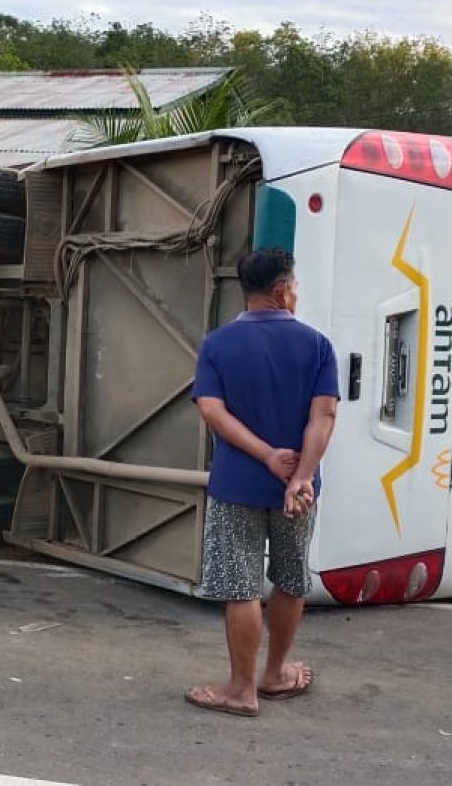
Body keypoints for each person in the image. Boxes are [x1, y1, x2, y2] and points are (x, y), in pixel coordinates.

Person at [185, 247, 339, 718]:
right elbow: (325, 413)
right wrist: (301, 475)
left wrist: (266, 456)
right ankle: (274, 674)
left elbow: (212, 411)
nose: (295, 294)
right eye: (293, 286)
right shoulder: (317, 345)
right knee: (290, 580)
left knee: (241, 587)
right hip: (298, 491)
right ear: (280, 290)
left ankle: (240, 689)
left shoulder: (217, 344)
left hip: (237, 486)